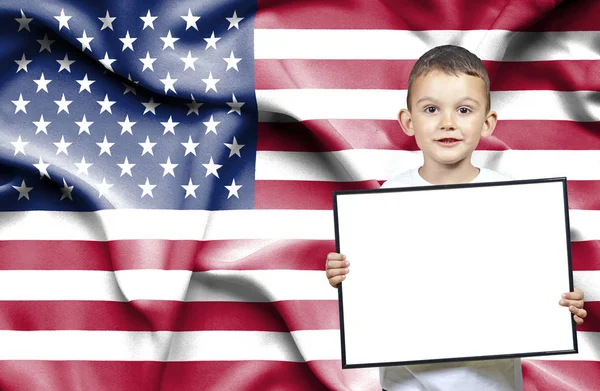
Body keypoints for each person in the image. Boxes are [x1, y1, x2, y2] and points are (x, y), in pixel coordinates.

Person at [325, 45, 587, 391]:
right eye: (431, 109)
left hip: (491, 385)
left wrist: (561, 301)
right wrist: (343, 272)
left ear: (487, 122)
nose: (447, 122)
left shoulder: (514, 202)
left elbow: (532, 279)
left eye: (464, 109)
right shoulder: (386, 197)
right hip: (407, 384)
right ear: (408, 121)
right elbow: (374, 285)